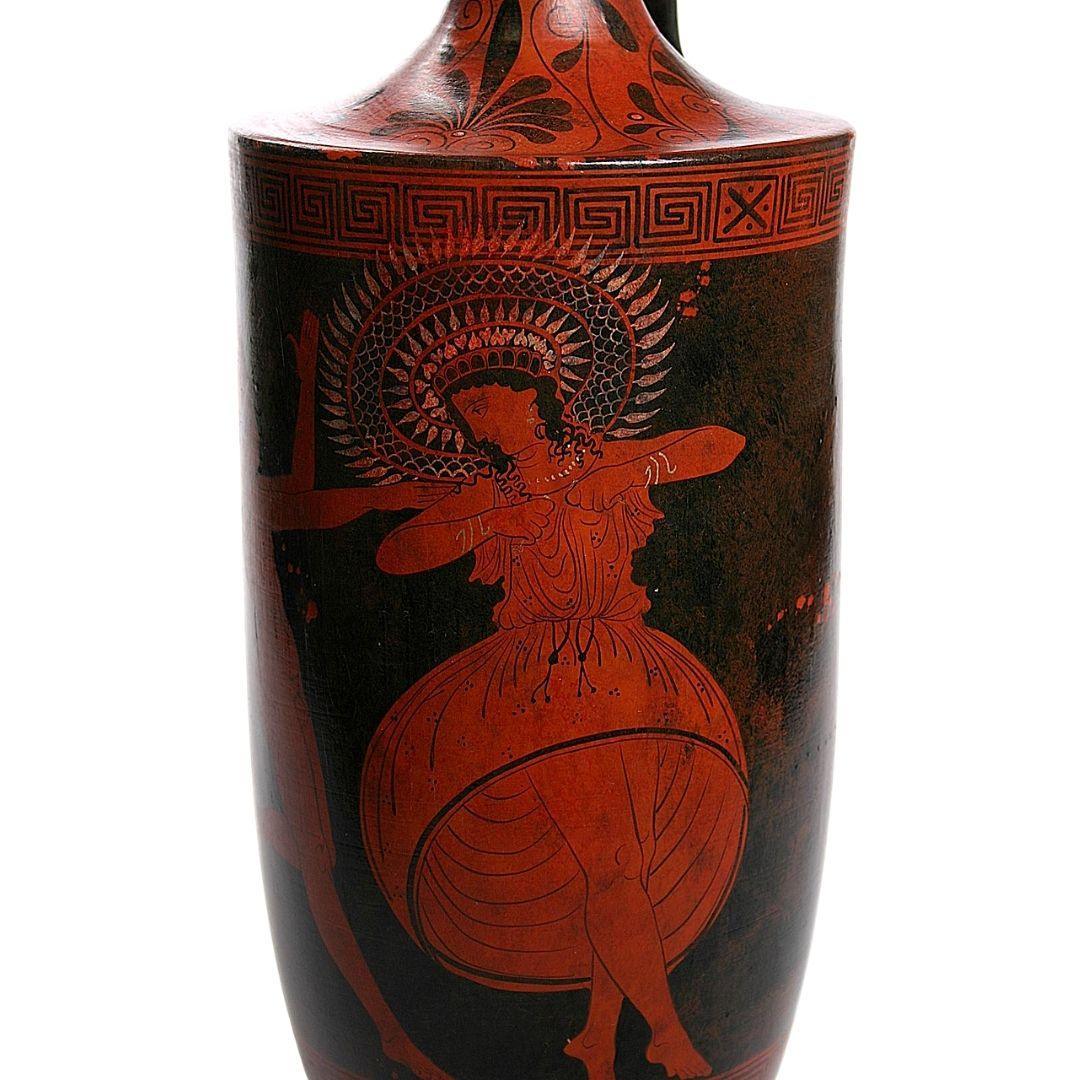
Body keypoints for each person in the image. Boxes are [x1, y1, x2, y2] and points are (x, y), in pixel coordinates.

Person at [363, 358, 749, 1080]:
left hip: (626, 668)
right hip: (544, 684)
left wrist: (636, 471)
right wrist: (492, 521)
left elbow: (723, 443)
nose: (475, 422)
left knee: (625, 862)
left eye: (484, 402)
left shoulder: (600, 462)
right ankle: (666, 1036)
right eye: (466, 413)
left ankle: (598, 1038)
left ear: (532, 397)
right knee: (614, 865)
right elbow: (396, 552)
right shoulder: (491, 492)